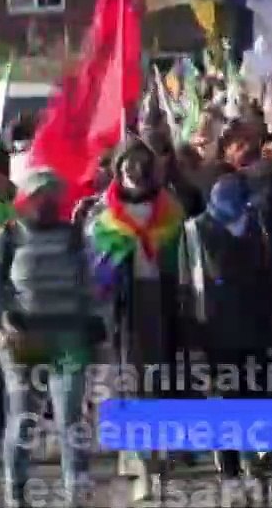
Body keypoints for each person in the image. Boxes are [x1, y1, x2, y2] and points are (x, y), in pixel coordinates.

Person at [0, 168, 99, 508]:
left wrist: (96, 323)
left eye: (52, 195)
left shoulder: (75, 237)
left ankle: (77, 493)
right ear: (26, 199)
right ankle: (16, 492)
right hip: (23, 341)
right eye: (40, 194)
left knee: (70, 418)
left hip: (69, 339)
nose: (47, 202)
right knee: (23, 420)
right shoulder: (6, 238)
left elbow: (93, 283)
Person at [81, 137, 191, 503]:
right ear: (118, 170)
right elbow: (94, 273)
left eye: (142, 165)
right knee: (128, 381)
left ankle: (156, 457)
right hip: (123, 309)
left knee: (158, 380)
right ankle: (139, 462)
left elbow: (185, 260)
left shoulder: (172, 211)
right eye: (128, 166)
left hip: (161, 301)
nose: (135, 173)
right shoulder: (104, 219)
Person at [182, 174, 272, 484]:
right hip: (214, 326)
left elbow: (269, 273)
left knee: (253, 394)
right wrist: (191, 331)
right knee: (224, 397)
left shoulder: (256, 224)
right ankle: (229, 466)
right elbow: (187, 281)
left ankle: (253, 460)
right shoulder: (194, 229)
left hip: (254, 323)